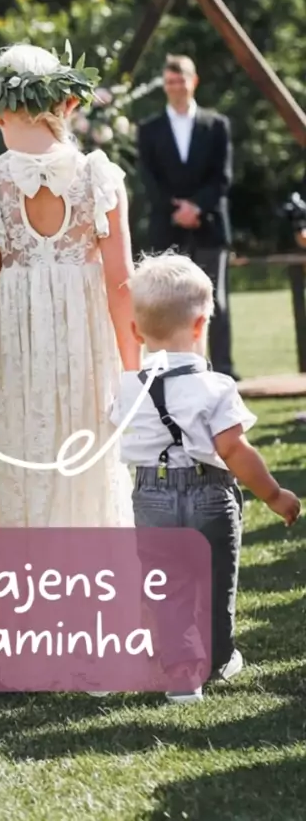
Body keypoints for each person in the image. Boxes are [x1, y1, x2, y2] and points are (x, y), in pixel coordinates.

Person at [0, 43, 140, 528]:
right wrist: (134, 375)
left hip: (19, 354)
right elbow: (122, 285)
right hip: (88, 347)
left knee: (25, 462)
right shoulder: (100, 177)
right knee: (91, 460)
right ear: (70, 103)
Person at [109, 251, 301, 704]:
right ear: (201, 325)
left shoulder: (129, 386)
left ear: (136, 332)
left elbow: (119, 426)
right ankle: (217, 657)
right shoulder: (216, 387)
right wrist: (273, 494)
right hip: (209, 495)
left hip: (151, 494)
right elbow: (234, 449)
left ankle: (181, 675)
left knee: (168, 587)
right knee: (216, 583)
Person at [137, 55, 238, 380]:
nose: (176, 87)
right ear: (164, 85)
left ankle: (222, 369)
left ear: (194, 81)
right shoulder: (149, 129)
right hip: (168, 227)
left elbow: (222, 176)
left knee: (215, 301)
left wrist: (196, 207)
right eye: (170, 81)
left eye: (181, 80)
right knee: (166, 299)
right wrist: (175, 209)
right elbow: (148, 178)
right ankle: (172, 368)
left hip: (209, 225)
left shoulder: (216, 125)